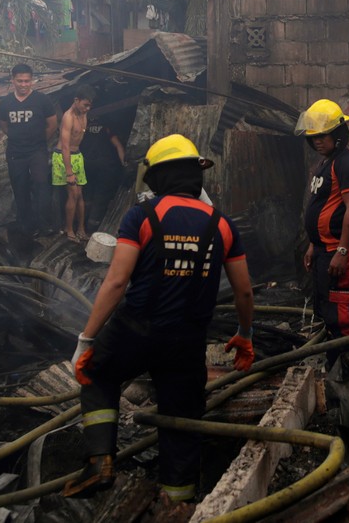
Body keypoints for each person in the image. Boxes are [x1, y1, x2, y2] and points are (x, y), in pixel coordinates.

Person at [65, 134, 255, 503]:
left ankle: (100, 460)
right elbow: (244, 292)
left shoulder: (142, 216)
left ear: (158, 177)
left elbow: (117, 280)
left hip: (135, 328)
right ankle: (176, 503)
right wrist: (245, 335)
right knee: (181, 420)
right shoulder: (222, 223)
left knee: (98, 373)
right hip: (187, 340)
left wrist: (87, 340)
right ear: (194, 175)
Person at [296, 99, 349, 368]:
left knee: (340, 311)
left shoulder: (346, 164)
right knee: (326, 308)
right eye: (313, 137)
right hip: (325, 249)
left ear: (338, 135)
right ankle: (335, 360)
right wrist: (314, 244)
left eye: (322, 136)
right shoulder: (327, 163)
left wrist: (341, 251)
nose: (316, 142)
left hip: (339, 251)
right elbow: (324, 207)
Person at [0, 63, 58, 237]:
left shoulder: (42, 100)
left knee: (41, 185)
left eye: (27, 81)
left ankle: (44, 224)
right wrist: (19, 138)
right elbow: (4, 126)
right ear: (12, 80)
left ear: (32, 81)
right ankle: (26, 226)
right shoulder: (6, 102)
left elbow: (52, 124)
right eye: (20, 81)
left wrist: (37, 140)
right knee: (20, 188)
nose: (24, 85)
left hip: (37, 150)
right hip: (16, 152)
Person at [54, 85, 95, 242]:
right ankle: (69, 228)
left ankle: (81, 228)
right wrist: (69, 172)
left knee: (80, 195)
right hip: (65, 156)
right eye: (85, 105)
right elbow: (65, 146)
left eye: (89, 105)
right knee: (73, 194)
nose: (87, 108)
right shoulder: (68, 117)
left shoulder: (83, 114)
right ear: (76, 100)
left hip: (77, 155)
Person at [81, 115, 128, 231]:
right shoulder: (107, 127)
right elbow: (117, 145)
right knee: (100, 197)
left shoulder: (83, 127)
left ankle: (82, 226)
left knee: (86, 197)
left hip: (86, 166)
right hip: (105, 168)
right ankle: (91, 228)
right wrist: (124, 163)